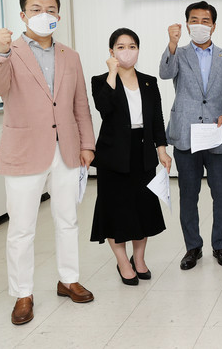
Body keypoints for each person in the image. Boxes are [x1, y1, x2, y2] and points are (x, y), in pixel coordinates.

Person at [0, 0, 95, 325]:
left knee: (67, 219)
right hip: (24, 150)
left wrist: (87, 144)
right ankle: (23, 293)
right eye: (35, 9)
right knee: (21, 227)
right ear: (23, 15)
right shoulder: (9, 51)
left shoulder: (70, 55)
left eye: (50, 9)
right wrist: (0, 52)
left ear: (58, 16)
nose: (43, 14)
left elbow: (80, 103)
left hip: (66, 149)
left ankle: (69, 279)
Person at [159, 1, 222, 270]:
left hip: (217, 136)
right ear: (186, 25)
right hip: (186, 135)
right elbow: (165, 73)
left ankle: (221, 246)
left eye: (205, 21)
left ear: (213, 26)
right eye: (194, 20)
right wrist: (172, 44)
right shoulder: (179, 53)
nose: (199, 25)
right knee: (188, 195)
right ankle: (192, 247)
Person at [90, 28, 172, 285]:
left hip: (143, 152)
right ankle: (122, 262)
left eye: (132, 46)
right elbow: (104, 108)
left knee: (142, 208)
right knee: (115, 209)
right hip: (113, 155)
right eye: (121, 46)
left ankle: (139, 258)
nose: (127, 51)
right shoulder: (101, 80)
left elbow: (156, 118)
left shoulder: (149, 81)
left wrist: (162, 149)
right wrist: (112, 73)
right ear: (111, 51)